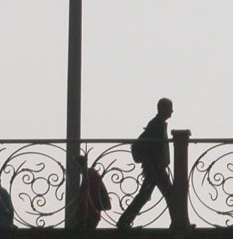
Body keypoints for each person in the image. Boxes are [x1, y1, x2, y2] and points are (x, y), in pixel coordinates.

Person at [116, 97, 190, 229]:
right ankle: (178, 223)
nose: (172, 111)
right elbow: (150, 146)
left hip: (155, 168)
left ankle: (124, 221)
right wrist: (157, 162)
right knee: (169, 194)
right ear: (163, 109)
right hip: (156, 168)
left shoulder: (156, 124)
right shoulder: (156, 125)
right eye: (170, 108)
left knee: (146, 196)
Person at [71, 154, 110, 230]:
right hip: (89, 214)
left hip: (89, 215)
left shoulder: (90, 174)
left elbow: (91, 195)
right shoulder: (90, 174)